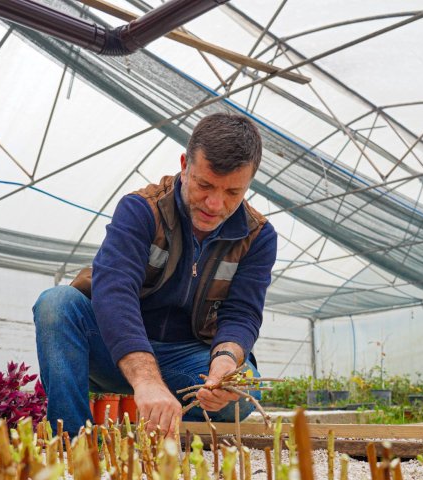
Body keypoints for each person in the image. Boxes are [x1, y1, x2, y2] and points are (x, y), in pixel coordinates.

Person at [33, 113, 276, 435]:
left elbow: (242, 313)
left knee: (244, 387)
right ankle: (73, 440)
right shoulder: (141, 210)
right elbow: (114, 293)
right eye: (204, 185)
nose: (215, 204)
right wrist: (146, 380)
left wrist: (225, 364)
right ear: (184, 165)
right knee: (56, 303)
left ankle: (164, 436)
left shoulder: (257, 236)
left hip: (184, 361)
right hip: (110, 349)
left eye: (233, 192)